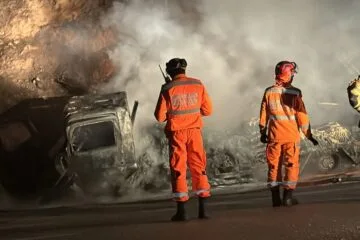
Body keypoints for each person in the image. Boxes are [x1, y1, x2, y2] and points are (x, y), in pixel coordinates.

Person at [154, 58, 212, 221]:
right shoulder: (198, 84)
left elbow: (159, 116)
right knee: (199, 167)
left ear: (169, 72)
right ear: (184, 70)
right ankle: (203, 211)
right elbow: (208, 110)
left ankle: (182, 212)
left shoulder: (167, 88)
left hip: (177, 134)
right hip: (194, 132)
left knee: (179, 169)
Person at [259, 61, 319, 207]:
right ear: (289, 75)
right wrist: (309, 135)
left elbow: (263, 115)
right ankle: (288, 198)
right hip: (291, 137)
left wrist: (262, 132)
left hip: (274, 137)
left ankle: (275, 199)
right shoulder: (295, 93)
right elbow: (302, 118)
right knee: (291, 166)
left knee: (274, 167)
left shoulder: (269, 92)